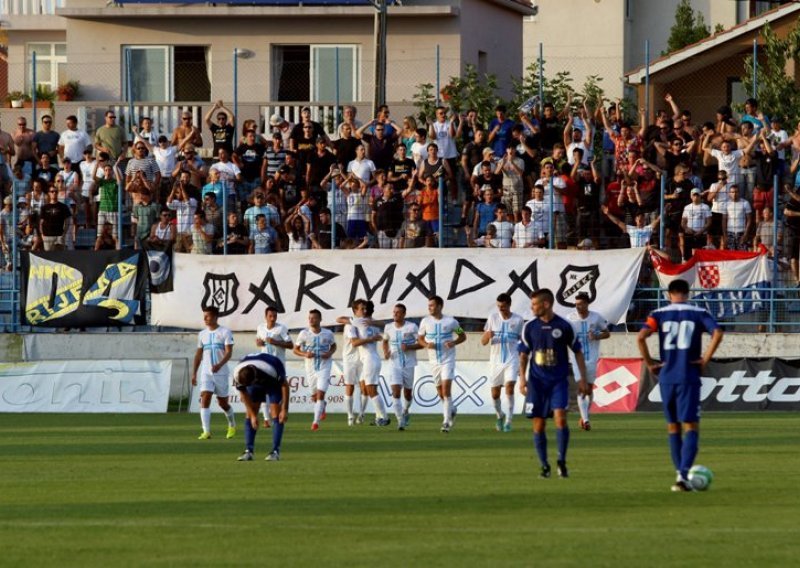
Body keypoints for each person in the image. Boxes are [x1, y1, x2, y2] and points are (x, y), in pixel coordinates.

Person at [637, 278, 724, 492]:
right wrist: (704, 359)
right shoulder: (699, 313)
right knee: (691, 426)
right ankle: (683, 475)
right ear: (688, 293)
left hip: (666, 376)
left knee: (672, 426)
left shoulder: (657, 314)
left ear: (669, 294)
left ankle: (680, 475)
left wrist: (650, 364)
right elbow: (718, 333)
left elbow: (640, 337)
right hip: (688, 375)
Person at [518, 289, 588, 479]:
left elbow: (578, 351)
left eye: (534, 304)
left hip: (558, 381)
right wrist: (522, 378)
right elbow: (523, 353)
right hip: (536, 382)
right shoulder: (525, 325)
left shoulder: (564, 326)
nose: (532, 308)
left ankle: (561, 461)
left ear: (546, 304)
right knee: (538, 425)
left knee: (561, 419)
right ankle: (544, 465)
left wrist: (582, 378)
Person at [418, 295, 467, 433]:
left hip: (448, 360)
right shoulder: (425, 322)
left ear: (440, 306)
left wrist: (453, 342)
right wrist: (427, 345)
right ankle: (451, 409)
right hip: (434, 361)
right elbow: (420, 339)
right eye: (429, 306)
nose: (430, 308)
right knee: (440, 392)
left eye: (432, 305)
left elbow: (462, 336)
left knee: (446, 390)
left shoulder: (451, 322)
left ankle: (446, 421)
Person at [339, 299, 390, 427]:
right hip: (369, 358)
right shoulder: (369, 323)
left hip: (370, 359)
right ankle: (379, 417)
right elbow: (383, 325)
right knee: (370, 388)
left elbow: (354, 341)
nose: (365, 311)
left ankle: (384, 416)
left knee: (371, 389)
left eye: (366, 309)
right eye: (362, 308)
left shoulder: (363, 322)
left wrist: (373, 338)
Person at [232, 352, 288, 462]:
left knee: (276, 414)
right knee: (250, 413)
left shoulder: (270, 370)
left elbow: (285, 386)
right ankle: (249, 451)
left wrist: (285, 409)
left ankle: (275, 452)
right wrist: (253, 416)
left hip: (272, 375)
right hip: (254, 373)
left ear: (254, 379)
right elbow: (244, 394)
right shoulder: (237, 374)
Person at [192, 306, 237, 440]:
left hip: (221, 372)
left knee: (223, 403)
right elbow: (198, 355)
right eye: (204, 316)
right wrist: (194, 373)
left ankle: (232, 424)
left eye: (208, 316)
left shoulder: (225, 332)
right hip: (206, 372)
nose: (205, 319)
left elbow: (229, 353)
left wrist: (219, 365)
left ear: (215, 317)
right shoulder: (202, 334)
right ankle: (206, 431)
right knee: (205, 398)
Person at [567, 292, 610, 431]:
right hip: (575, 358)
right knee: (582, 387)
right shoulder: (570, 319)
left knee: (589, 389)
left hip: (591, 357)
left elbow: (607, 333)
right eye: (576, 304)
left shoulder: (596, 317)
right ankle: (585, 420)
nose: (578, 307)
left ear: (587, 304)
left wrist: (596, 335)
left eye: (581, 304)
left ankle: (584, 415)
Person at [481, 293, 524, 433]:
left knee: (510, 386)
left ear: (509, 305)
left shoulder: (518, 320)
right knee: (495, 394)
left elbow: (522, 341)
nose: (501, 309)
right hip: (496, 361)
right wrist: (487, 335)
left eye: (503, 307)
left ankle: (509, 420)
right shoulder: (492, 318)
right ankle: (500, 415)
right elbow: (483, 342)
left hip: (512, 359)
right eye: (499, 306)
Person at [293, 309, 337, 431]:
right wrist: (304, 354)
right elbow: (295, 350)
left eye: (314, 318)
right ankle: (322, 406)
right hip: (310, 367)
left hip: (324, 365)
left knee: (321, 393)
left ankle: (315, 422)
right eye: (310, 318)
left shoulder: (328, 333)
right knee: (314, 395)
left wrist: (329, 353)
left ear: (320, 319)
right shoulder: (303, 334)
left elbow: (333, 346)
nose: (311, 320)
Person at [382, 303, 421, 430]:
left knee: (408, 394)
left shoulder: (412, 327)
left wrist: (409, 347)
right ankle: (400, 421)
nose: (395, 314)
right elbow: (385, 341)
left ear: (404, 314)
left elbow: (422, 343)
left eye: (398, 312)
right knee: (395, 392)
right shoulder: (388, 327)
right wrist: (386, 352)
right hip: (394, 364)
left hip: (409, 364)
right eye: (394, 312)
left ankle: (405, 410)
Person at [255, 307, 293, 427]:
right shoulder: (260, 327)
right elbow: (258, 340)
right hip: (264, 363)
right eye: (270, 316)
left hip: (278, 364)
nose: (273, 318)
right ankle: (266, 419)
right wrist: (259, 343)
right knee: (263, 391)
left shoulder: (281, 328)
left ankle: (281, 412)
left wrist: (275, 342)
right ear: (265, 316)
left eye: (275, 316)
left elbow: (291, 345)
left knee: (279, 391)